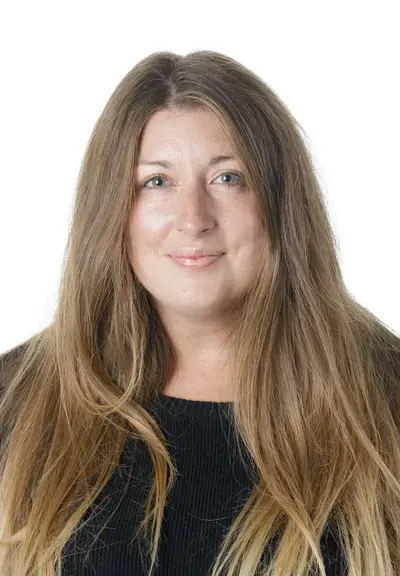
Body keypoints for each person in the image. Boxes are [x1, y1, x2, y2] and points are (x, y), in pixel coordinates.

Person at [0, 49, 399, 576]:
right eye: (157, 182)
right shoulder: (16, 401)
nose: (194, 218)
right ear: (112, 209)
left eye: (228, 178)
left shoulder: (386, 396)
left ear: (281, 202)